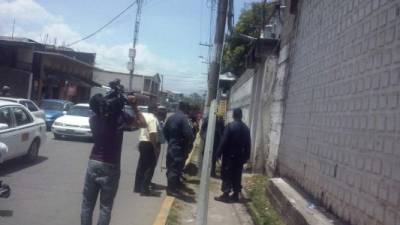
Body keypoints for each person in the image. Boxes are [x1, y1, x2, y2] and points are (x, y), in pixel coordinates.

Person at [81, 94, 146, 225]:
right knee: (105, 207)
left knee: (87, 205)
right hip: (111, 166)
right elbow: (143, 124)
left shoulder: (93, 119)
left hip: (93, 162)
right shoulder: (120, 118)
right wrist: (134, 106)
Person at [214, 108, 251, 203]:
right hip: (240, 157)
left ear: (234, 115)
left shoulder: (230, 127)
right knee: (237, 175)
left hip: (229, 156)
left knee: (227, 174)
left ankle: (226, 194)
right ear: (241, 116)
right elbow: (248, 144)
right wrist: (246, 157)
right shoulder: (246, 129)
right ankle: (235, 195)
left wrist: (218, 154)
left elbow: (223, 141)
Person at [163, 101, 194, 196]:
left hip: (172, 146)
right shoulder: (184, 119)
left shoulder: (171, 117)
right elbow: (189, 134)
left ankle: (173, 187)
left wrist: (171, 141)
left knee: (171, 167)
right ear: (185, 108)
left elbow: (165, 131)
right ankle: (171, 190)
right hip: (179, 148)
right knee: (175, 168)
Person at [133, 104, 161, 196]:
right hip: (149, 143)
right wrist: (155, 148)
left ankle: (138, 187)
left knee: (141, 166)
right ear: (155, 111)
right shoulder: (153, 119)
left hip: (142, 143)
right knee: (149, 167)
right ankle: (144, 189)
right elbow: (152, 134)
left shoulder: (144, 116)